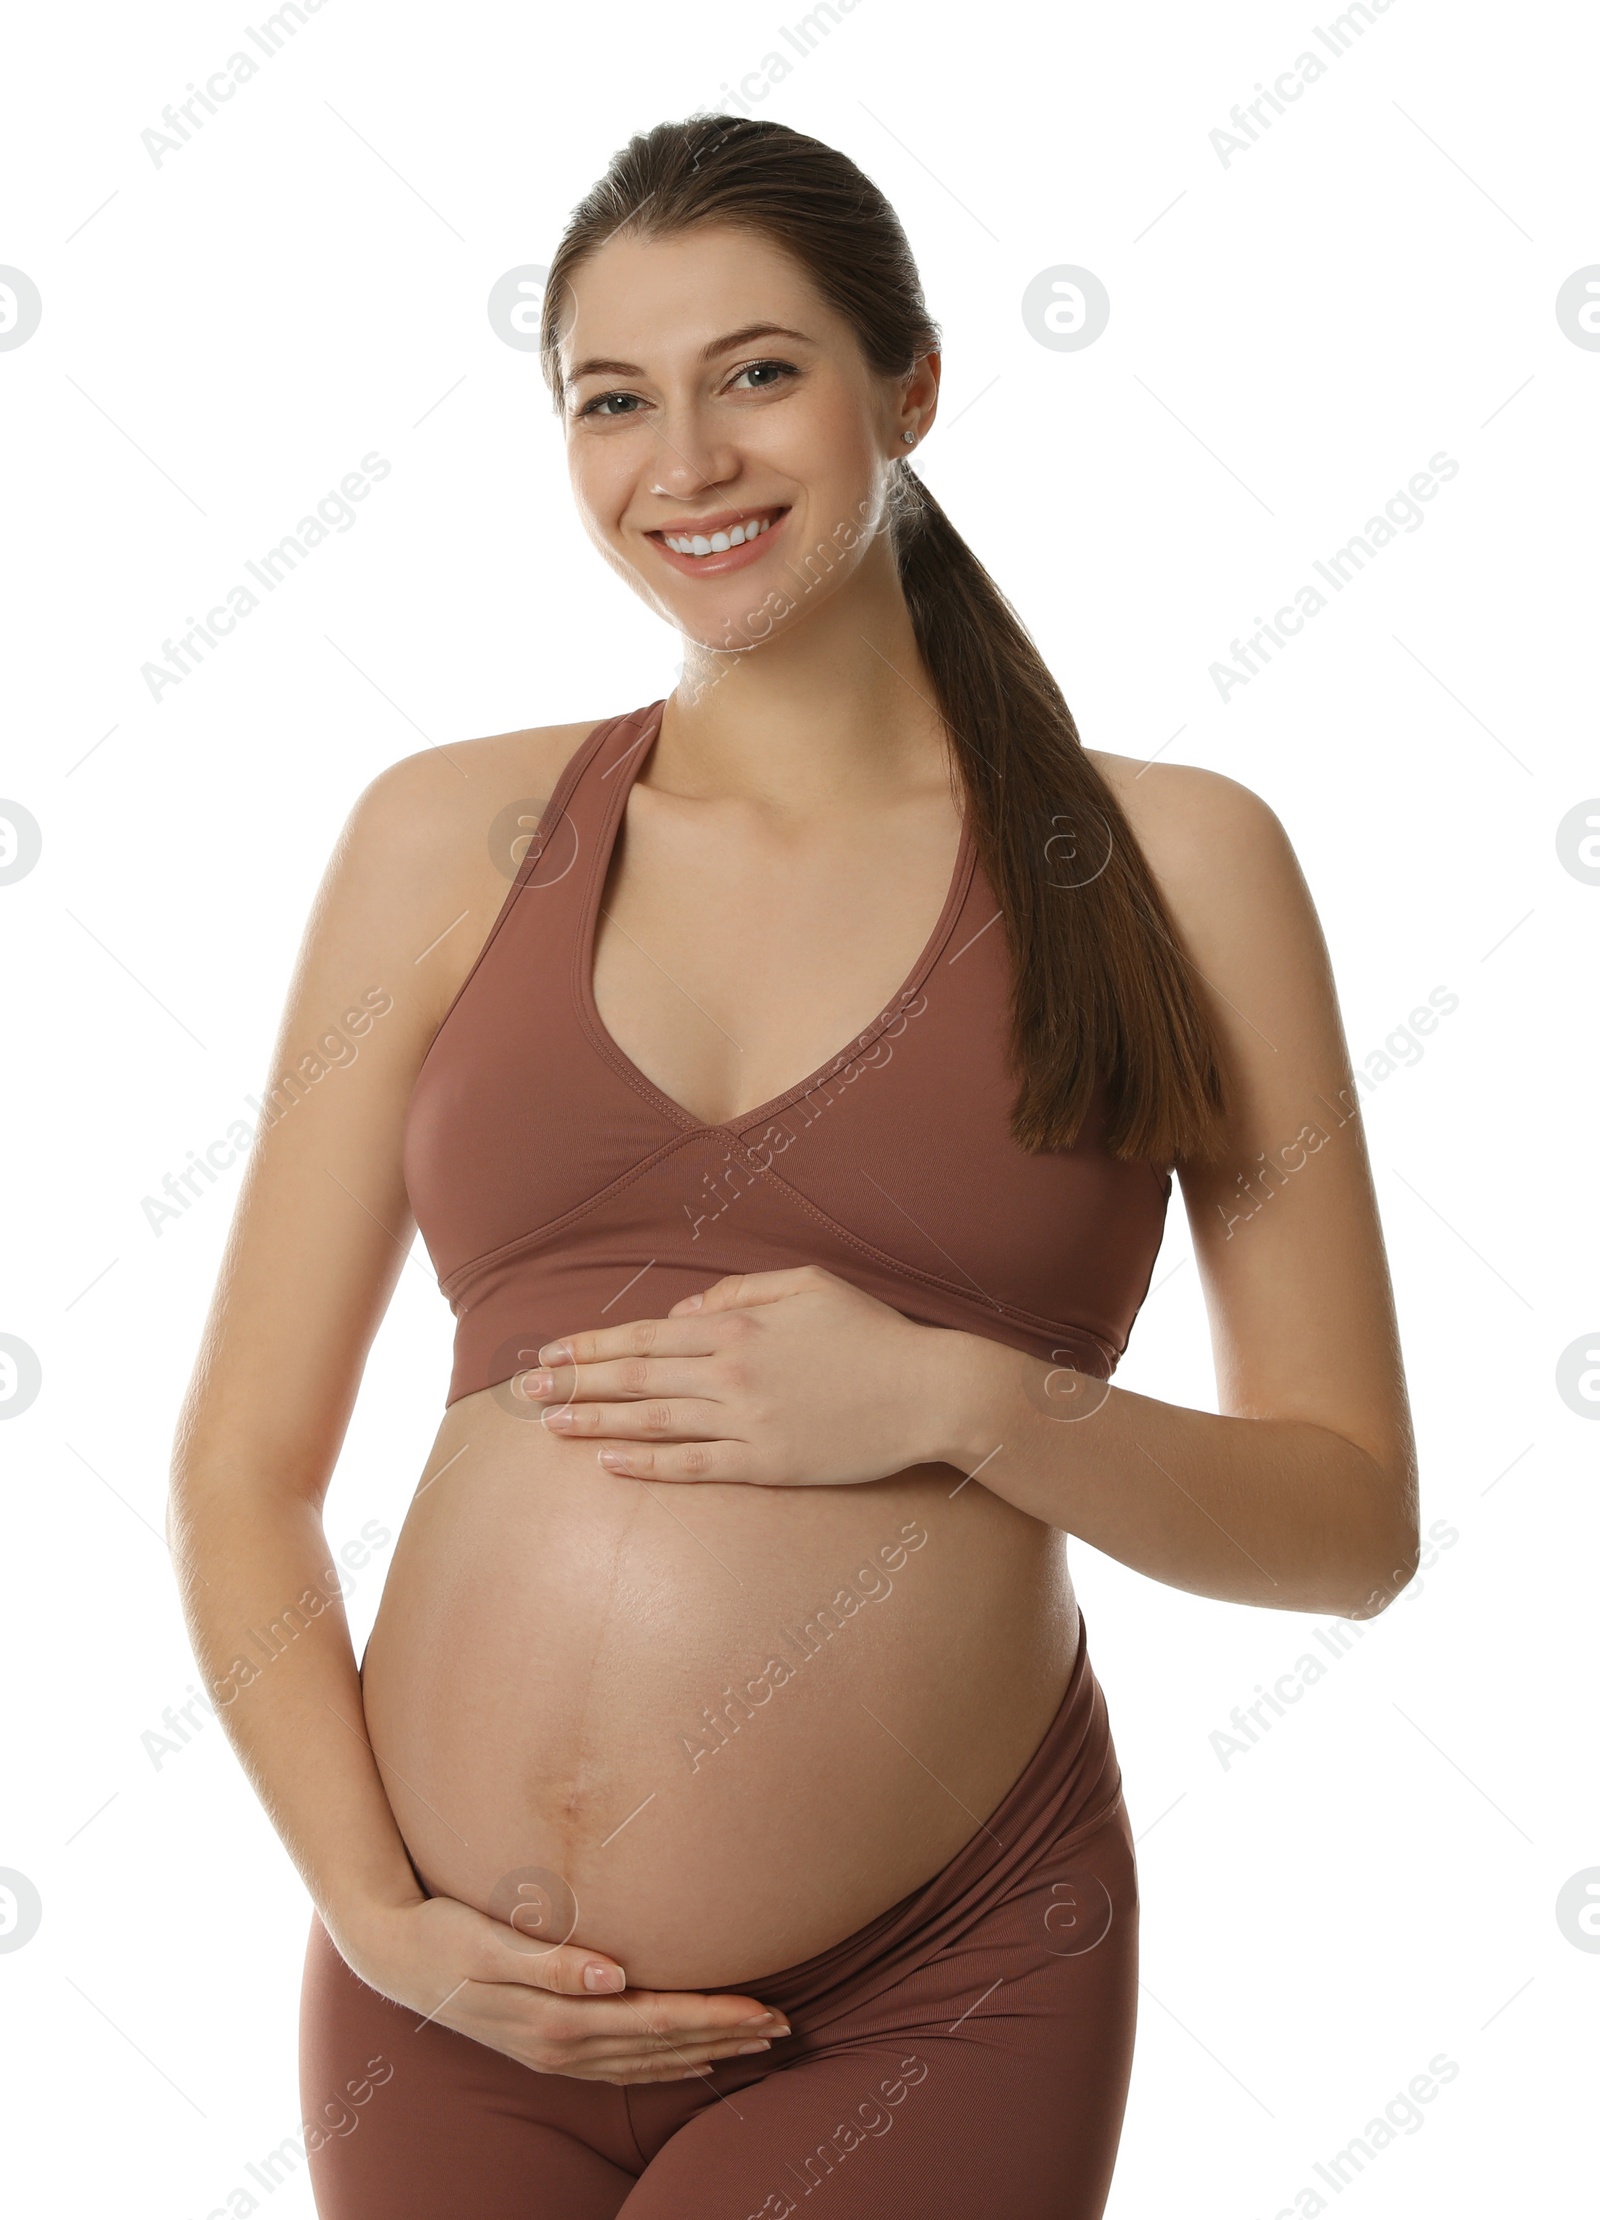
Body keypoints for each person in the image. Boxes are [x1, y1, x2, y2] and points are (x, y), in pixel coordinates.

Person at [168, 113, 1419, 2219]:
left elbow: (1345, 1521)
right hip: (447, 2002)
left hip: (932, 1986)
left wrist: (961, 1400)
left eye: (756, 372)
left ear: (906, 384)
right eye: (609, 401)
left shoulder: (1175, 864)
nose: (686, 463)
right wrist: (376, 1919)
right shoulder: (443, 838)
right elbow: (237, 1474)